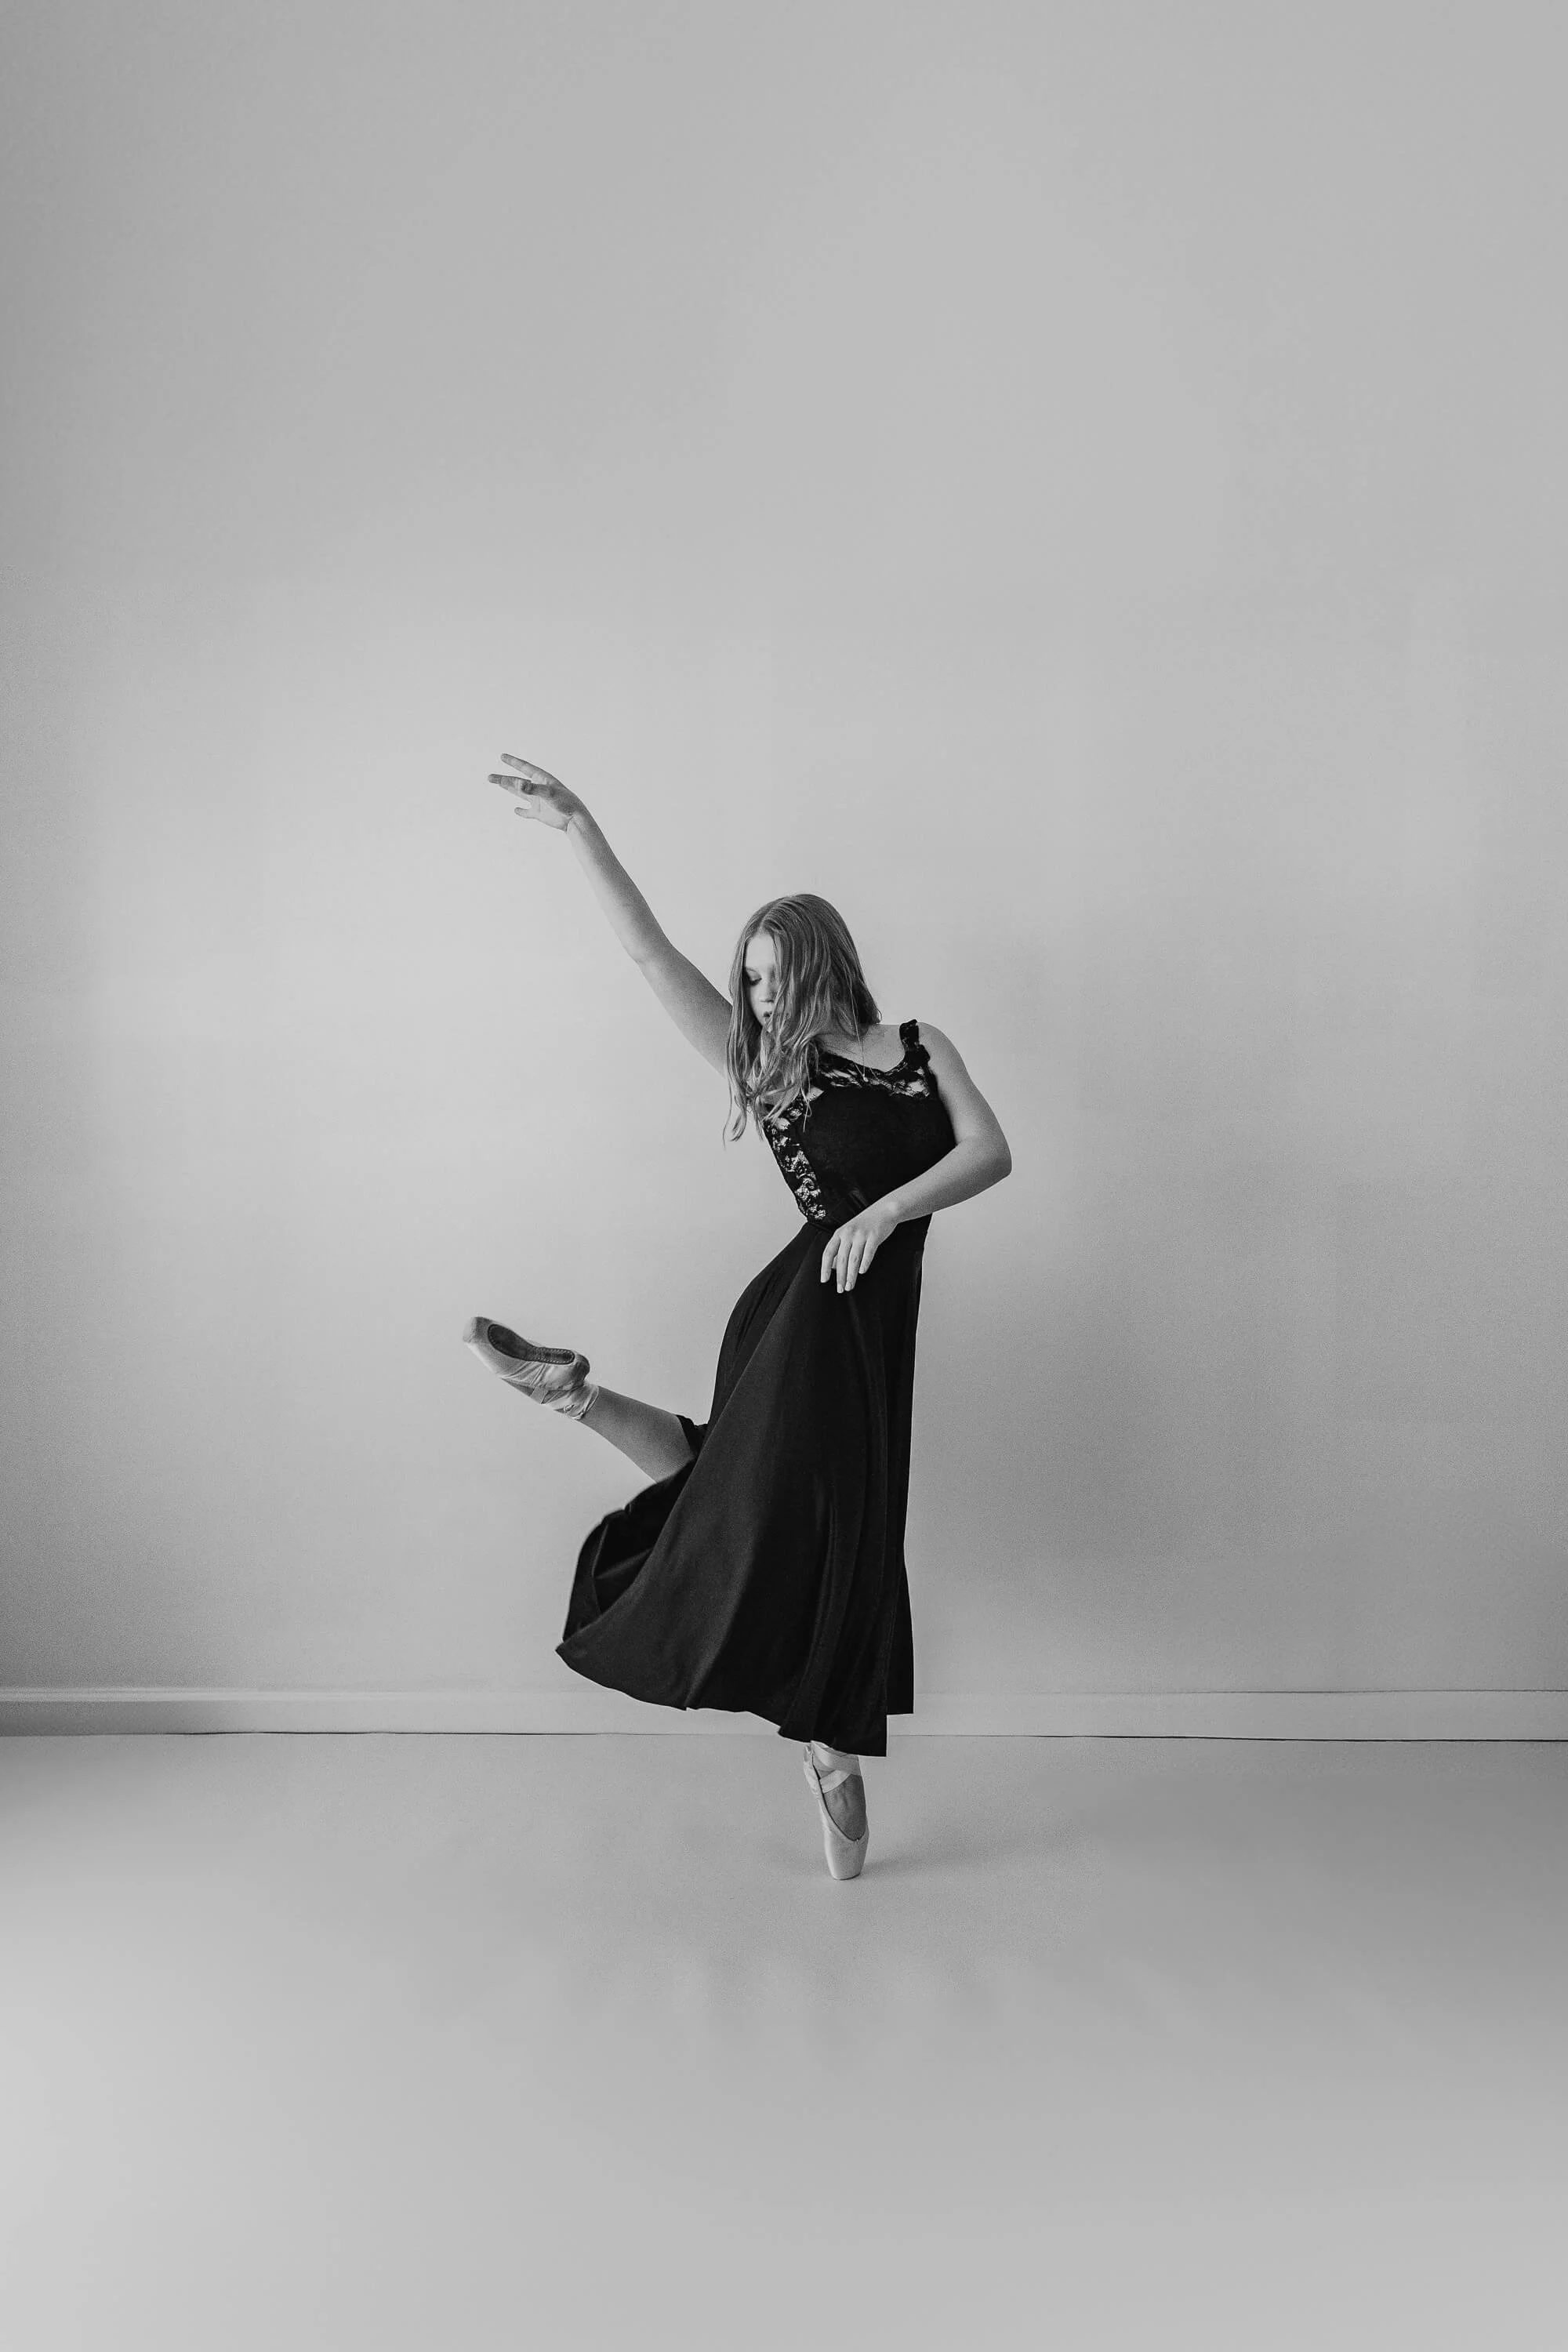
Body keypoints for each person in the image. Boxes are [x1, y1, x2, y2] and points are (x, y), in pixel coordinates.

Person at [464, 753, 1013, 1878]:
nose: (758, 1001)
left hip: (870, 1326)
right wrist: (583, 829)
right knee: (768, 1508)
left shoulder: (919, 1047)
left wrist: (892, 1210)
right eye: (751, 985)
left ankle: (579, 1395)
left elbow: (990, 1152)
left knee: (783, 1502)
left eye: (771, 978)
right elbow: (647, 950)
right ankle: (829, 1749)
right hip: (804, 1319)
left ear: (820, 962)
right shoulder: (778, 1074)